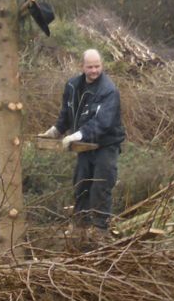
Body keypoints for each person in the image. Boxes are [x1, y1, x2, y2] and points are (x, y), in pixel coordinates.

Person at [44, 48, 126, 235]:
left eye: (97, 66)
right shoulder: (73, 86)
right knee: (81, 184)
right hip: (84, 146)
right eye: (90, 67)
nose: (94, 70)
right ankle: (80, 227)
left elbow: (103, 122)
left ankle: (100, 230)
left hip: (106, 145)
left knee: (101, 185)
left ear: (102, 65)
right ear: (82, 66)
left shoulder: (109, 90)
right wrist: (57, 129)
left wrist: (78, 135)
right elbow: (67, 112)